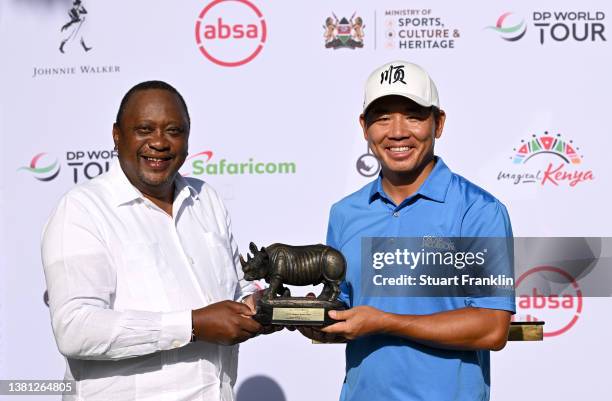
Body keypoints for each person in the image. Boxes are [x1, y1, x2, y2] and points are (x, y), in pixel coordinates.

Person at [300, 61, 515, 401]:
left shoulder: (478, 211)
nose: (397, 131)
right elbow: (349, 315)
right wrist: (317, 320)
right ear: (364, 127)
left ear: (438, 123)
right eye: (382, 117)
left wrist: (385, 321)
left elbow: (492, 327)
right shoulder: (345, 213)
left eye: (413, 115)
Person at [41, 81, 265, 401]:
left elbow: (238, 288)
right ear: (117, 135)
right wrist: (191, 325)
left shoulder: (206, 199)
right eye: (145, 129)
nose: (159, 142)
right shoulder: (82, 210)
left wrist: (262, 307)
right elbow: (75, 329)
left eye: (174, 130)